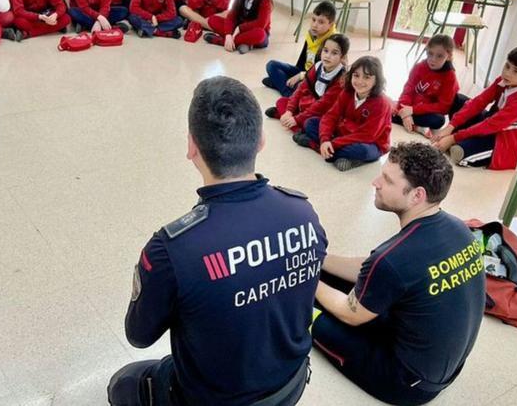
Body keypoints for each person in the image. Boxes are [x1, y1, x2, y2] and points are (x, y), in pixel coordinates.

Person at [107, 76, 327, 406]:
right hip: (290, 382)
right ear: (261, 141)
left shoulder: (173, 249)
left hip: (212, 399)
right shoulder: (303, 213)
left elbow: (138, 336)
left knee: (122, 383)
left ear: (192, 147)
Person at [311, 141, 485, 406]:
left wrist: (303, 276)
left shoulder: (393, 258)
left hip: (407, 384)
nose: (375, 182)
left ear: (417, 195)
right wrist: (317, 261)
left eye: (387, 180)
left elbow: (350, 313)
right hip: (441, 366)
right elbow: (373, 271)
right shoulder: (459, 229)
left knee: (303, 308)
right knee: (335, 280)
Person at [431, 45, 517, 170]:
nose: (507, 73)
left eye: (516, 71)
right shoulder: (504, 80)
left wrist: (453, 138)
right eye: (507, 66)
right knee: (458, 100)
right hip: (492, 122)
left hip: (505, 141)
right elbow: (479, 102)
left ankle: (461, 143)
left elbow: (491, 125)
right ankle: (461, 138)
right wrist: (451, 126)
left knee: (459, 152)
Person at [298, 56, 392, 172]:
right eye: (356, 75)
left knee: (363, 151)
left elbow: (367, 135)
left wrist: (333, 143)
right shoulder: (347, 92)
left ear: (376, 80)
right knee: (310, 123)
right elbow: (331, 116)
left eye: (367, 77)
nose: (360, 82)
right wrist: (325, 139)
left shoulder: (382, 103)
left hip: (371, 143)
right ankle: (334, 154)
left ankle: (315, 145)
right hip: (343, 133)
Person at [266, 34, 349, 134]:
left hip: (323, 112)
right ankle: (287, 117)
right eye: (325, 50)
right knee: (282, 101)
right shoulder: (318, 66)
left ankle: (295, 127)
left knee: (310, 123)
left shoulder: (341, 79)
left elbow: (322, 105)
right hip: (308, 105)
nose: (327, 56)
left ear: (343, 57)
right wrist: (289, 111)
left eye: (334, 53)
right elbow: (301, 88)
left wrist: (297, 119)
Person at [263, 0, 337, 97]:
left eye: (321, 22)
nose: (315, 25)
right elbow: (301, 62)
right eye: (313, 20)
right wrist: (296, 75)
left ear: (330, 25)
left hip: (316, 80)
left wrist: (300, 76)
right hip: (303, 72)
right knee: (271, 65)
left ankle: (284, 89)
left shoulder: (332, 42)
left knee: (302, 87)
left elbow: (321, 73)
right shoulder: (312, 33)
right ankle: (286, 87)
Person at [393, 34, 459, 136]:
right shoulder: (419, 67)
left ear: (449, 56)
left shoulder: (450, 77)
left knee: (438, 120)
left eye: (439, 56)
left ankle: (407, 120)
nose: (433, 59)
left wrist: (413, 110)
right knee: (391, 108)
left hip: (426, 112)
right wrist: (405, 113)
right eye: (430, 53)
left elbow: (443, 107)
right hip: (410, 106)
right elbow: (407, 91)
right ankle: (412, 123)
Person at [204, 0, 271, 54]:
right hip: (239, 30)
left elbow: (261, 24)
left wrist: (240, 28)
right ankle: (242, 43)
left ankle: (221, 41)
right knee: (213, 20)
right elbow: (230, 17)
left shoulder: (265, 0)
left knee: (260, 34)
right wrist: (228, 34)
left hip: (256, 31)